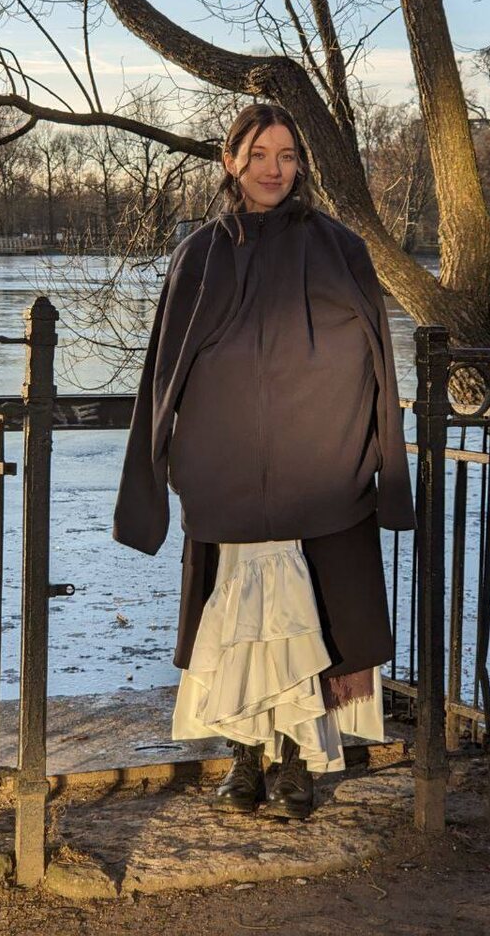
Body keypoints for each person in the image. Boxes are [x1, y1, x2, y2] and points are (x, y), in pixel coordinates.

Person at [113, 103, 416, 819]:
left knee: (311, 617)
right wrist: (162, 466)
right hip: (226, 472)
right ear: (230, 161)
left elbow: (373, 359)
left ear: (301, 163)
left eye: (285, 155)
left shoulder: (341, 249)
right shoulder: (199, 255)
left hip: (320, 468)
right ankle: (245, 758)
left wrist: (373, 460)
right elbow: (164, 371)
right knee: (239, 620)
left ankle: (297, 765)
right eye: (257, 155)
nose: (273, 170)